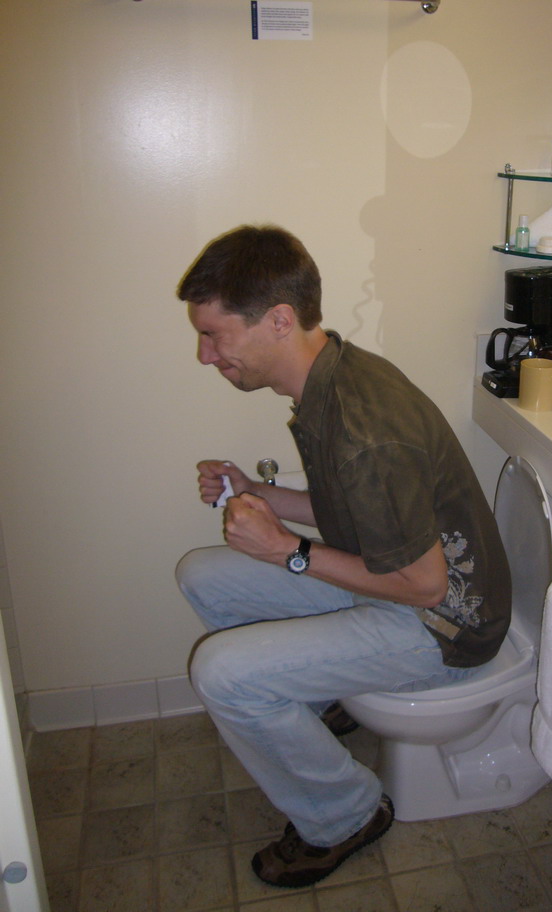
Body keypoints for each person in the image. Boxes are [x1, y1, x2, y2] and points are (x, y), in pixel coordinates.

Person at [175, 224, 511, 888]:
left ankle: (346, 814)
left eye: (214, 334)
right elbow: (354, 511)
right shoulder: (330, 376)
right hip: (395, 583)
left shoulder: (363, 428)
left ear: (278, 320)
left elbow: (419, 585)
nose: (204, 355)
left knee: (222, 674)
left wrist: (285, 551)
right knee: (203, 576)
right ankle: (325, 692)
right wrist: (257, 491)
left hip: (445, 626)